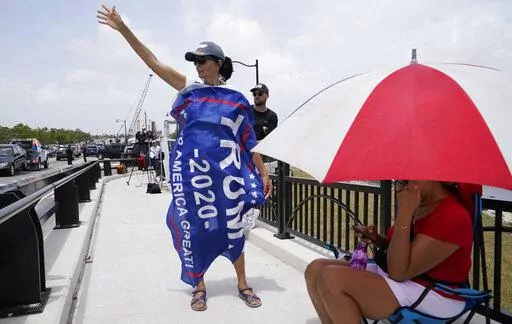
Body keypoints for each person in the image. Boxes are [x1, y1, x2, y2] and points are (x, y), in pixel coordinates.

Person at [97, 5, 272, 312]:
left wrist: (263, 174)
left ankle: (243, 283)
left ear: (218, 63)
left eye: (203, 61)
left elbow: (248, 142)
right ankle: (199, 285)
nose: (198, 66)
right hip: (195, 176)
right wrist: (123, 28)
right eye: (195, 61)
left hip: (226, 177)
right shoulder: (189, 91)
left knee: (234, 229)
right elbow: (153, 61)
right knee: (194, 224)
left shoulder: (237, 101)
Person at [304, 180, 475, 323]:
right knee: (315, 269)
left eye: (406, 180)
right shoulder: (421, 201)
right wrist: (379, 240)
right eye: (398, 181)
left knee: (331, 278)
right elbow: (402, 250)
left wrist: (405, 214)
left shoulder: (453, 216)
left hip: (438, 292)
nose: (401, 188)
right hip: (406, 276)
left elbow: (398, 272)